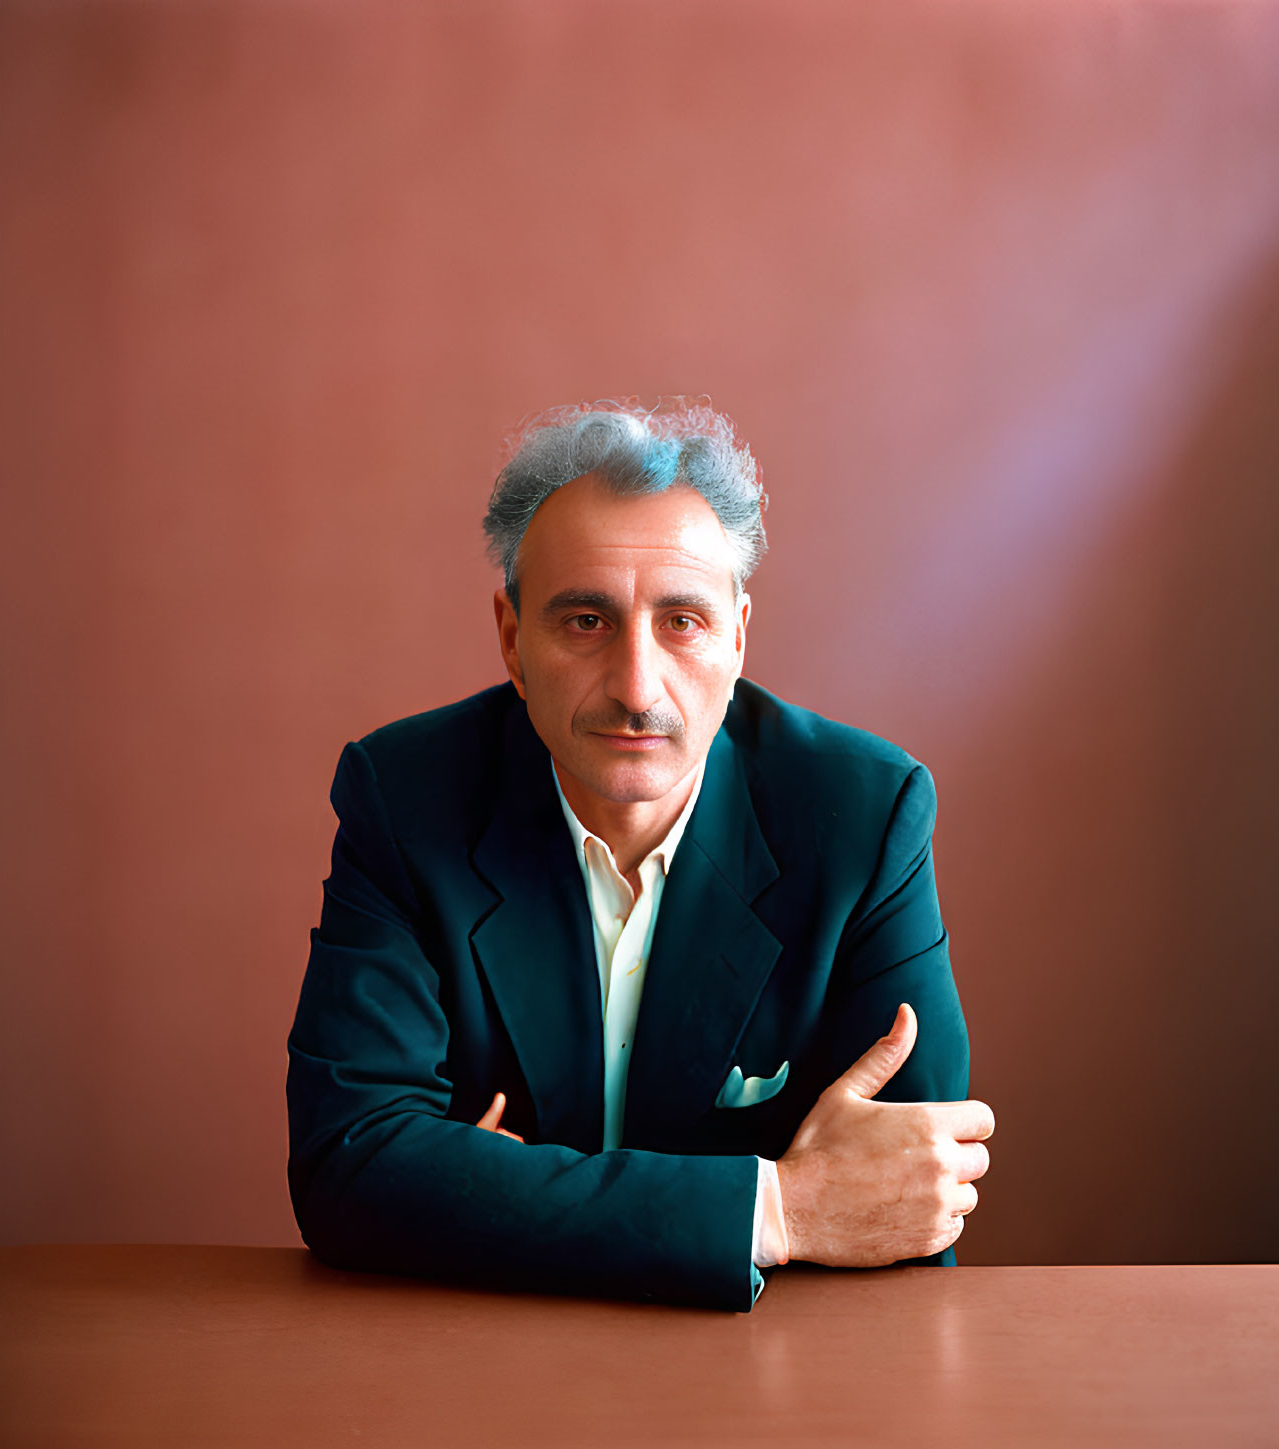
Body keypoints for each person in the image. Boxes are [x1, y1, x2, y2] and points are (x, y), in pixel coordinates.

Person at [286, 398, 993, 1311]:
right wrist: (778, 1207)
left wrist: (486, 1197)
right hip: (478, 1374)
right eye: (584, 621)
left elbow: (904, 1205)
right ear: (511, 638)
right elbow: (351, 1168)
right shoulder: (406, 798)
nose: (634, 687)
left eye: (682, 621)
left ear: (737, 636)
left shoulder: (862, 815)